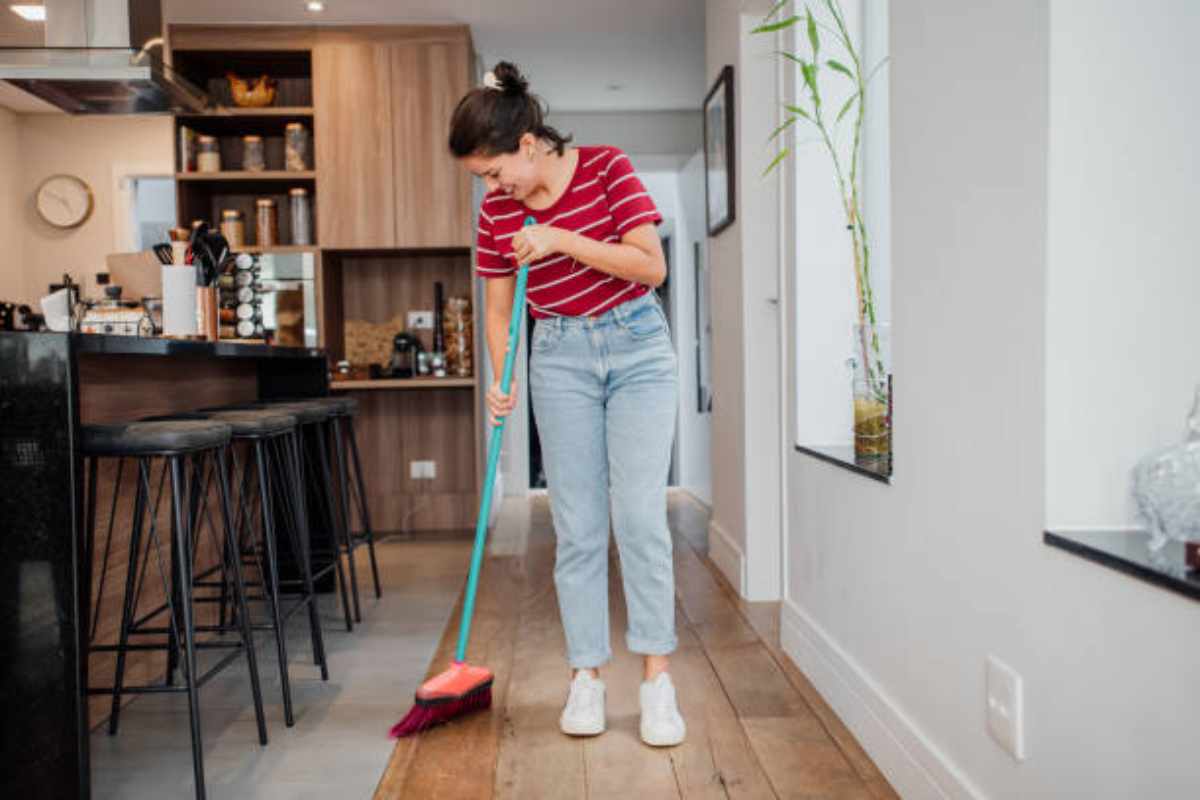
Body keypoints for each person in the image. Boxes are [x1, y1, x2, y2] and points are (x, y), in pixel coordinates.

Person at [448, 61, 685, 747]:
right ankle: (586, 676)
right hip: (558, 357)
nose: (492, 189)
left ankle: (656, 681)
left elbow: (651, 265)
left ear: (526, 143)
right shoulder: (496, 213)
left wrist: (556, 239)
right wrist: (502, 374)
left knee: (639, 516)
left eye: (494, 173)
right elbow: (498, 311)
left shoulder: (608, 169)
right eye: (481, 181)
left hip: (638, 346)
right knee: (577, 525)